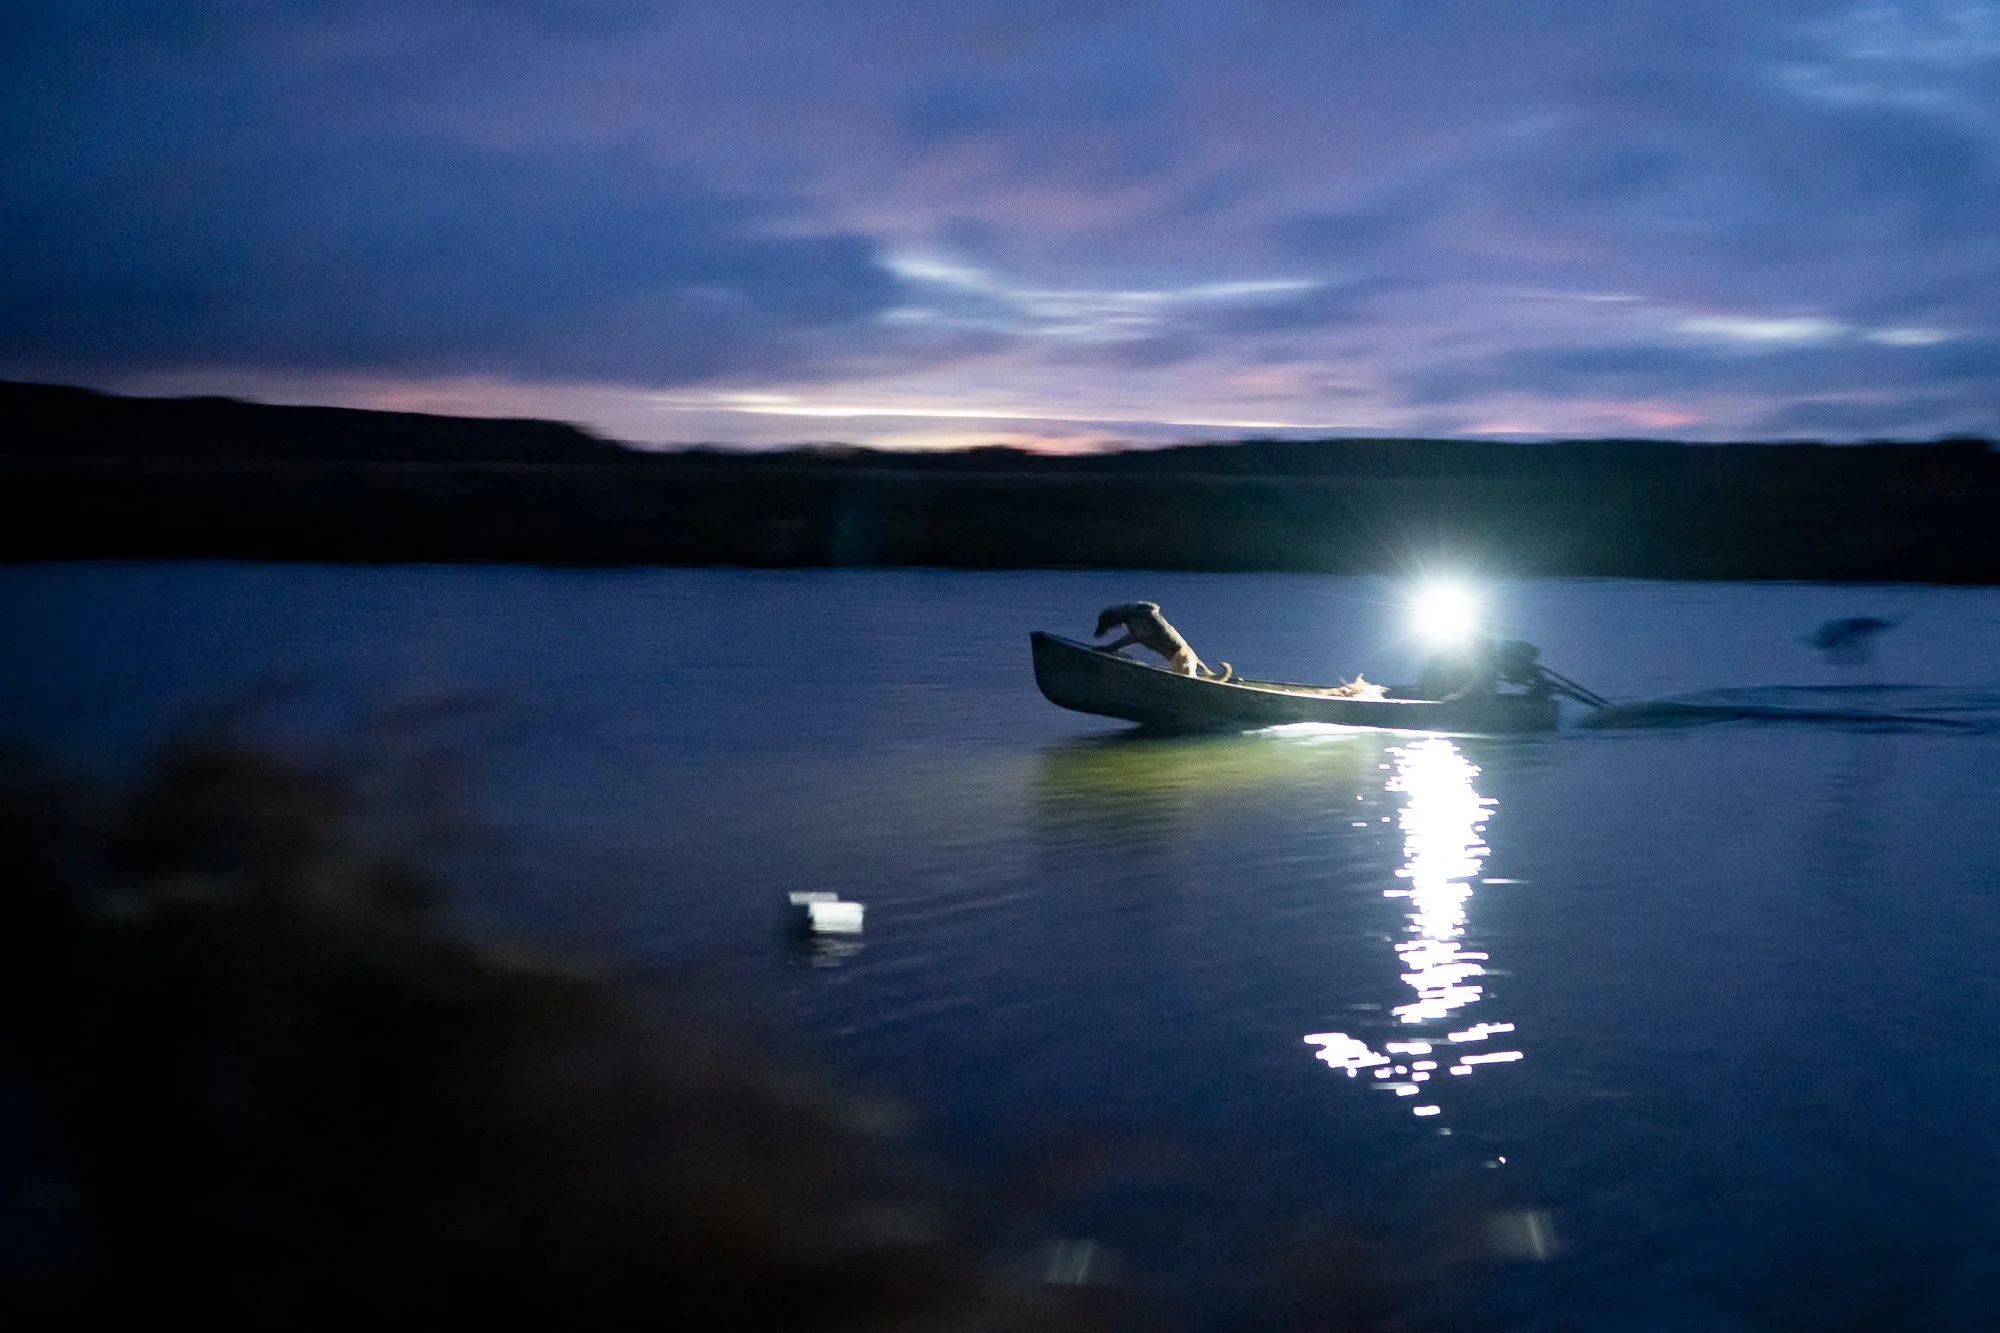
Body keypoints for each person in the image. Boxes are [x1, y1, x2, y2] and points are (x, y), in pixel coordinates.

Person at [1093, 601, 1231, 680]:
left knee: (1189, 683)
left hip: (1181, 656)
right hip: (1181, 655)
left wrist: (1110, 648)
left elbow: (1135, 637)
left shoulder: (1136, 618)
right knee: (1191, 679)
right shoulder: (1137, 616)